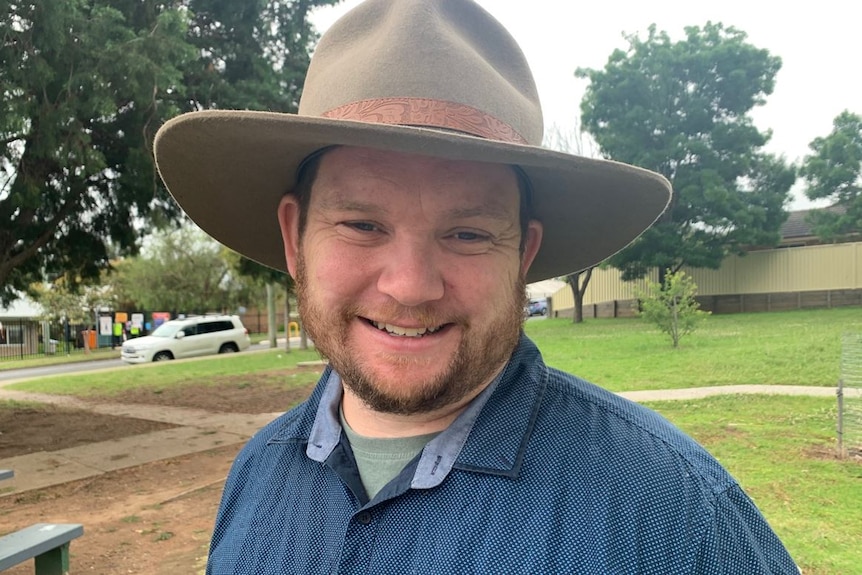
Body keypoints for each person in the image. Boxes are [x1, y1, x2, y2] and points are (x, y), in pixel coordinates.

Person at [154, 1, 799, 573]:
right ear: (296, 240)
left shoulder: (674, 518)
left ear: (524, 254)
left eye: (467, 234)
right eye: (361, 224)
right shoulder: (256, 476)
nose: (410, 288)